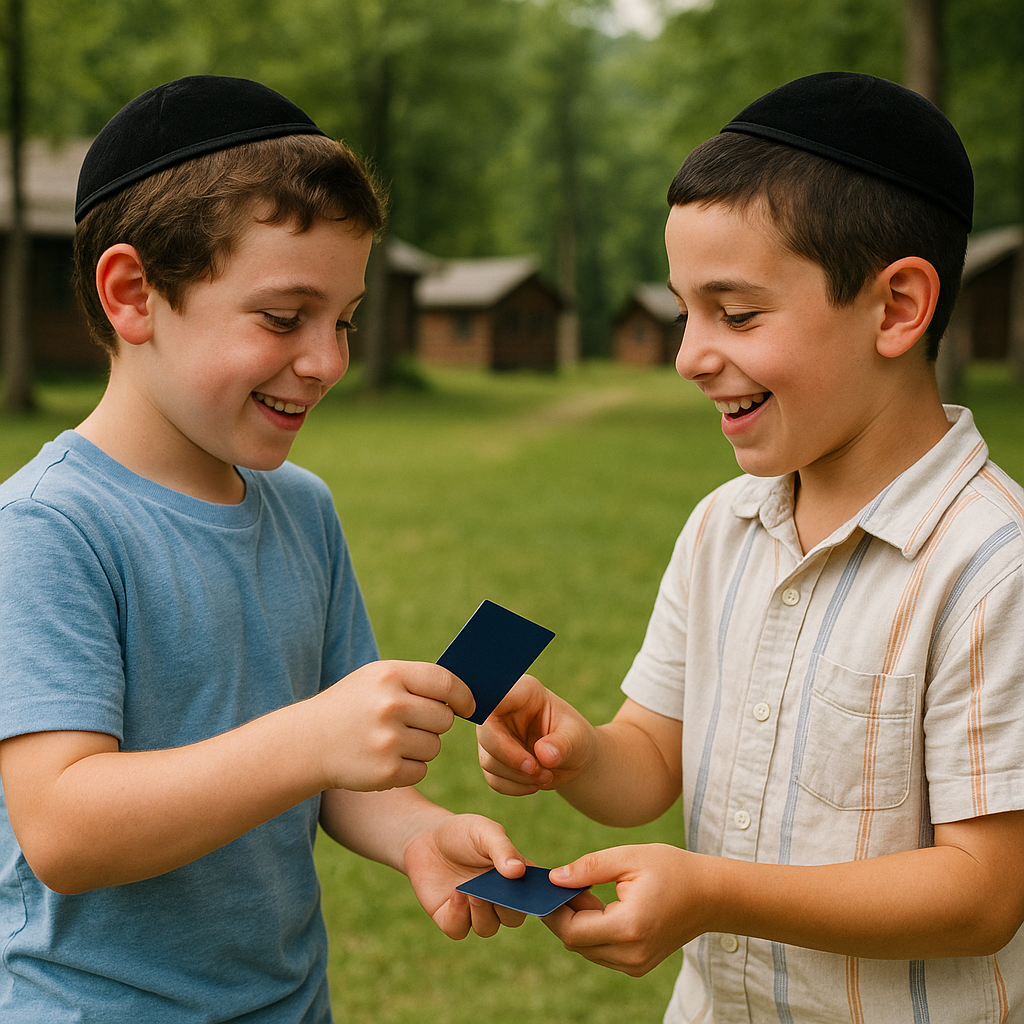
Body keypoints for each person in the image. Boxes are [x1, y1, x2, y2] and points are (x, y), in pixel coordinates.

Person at [477, 72, 1024, 1023]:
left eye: (735, 314)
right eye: (685, 312)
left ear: (897, 307)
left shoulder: (992, 567)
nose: (690, 355)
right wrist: (578, 751)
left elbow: (983, 892)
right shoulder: (722, 527)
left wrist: (716, 893)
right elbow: (653, 756)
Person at [0, 76, 526, 1024]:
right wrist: (312, 735)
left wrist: (421, 833)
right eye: (284, 318)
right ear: (133, 294)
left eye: (344, 321)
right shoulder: (49, 527)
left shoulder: (303, 510)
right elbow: (64, 829)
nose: (327, 361)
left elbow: (334, 773)